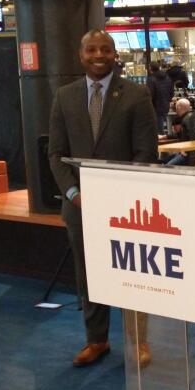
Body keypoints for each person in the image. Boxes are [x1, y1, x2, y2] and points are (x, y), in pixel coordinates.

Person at [47, 30, 158, 368]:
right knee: (90, 275)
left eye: (105, 49)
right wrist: (74, 194)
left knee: (133, 274)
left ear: (115, 55)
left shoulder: (137, 96)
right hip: (81, 209)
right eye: (92, 49)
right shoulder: (64, 97)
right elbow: (55, 154)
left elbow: (146, 154)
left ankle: (138, 343)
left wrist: (121, 198)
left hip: (127, 210)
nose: (99, 55)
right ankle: (97, 341)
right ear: (81, 55)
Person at [165, 99, 195, 166]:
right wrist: (166, 136)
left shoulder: (187, 119)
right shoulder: (189, 117)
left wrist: (185, 150)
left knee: (167, 167)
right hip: (187, 151)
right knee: (166, 159)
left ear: (178, 107)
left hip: (187, 153)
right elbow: (183, 135)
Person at [146, 63, 174, 133]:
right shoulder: (167, 77)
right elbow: (171, 92)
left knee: (158, 128)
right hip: (165, 105)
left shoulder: (151, 79)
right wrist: (168, 100)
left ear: (150, 69)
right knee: (166, 125)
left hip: (156, 106)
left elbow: (150, 94)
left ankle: (161, 141)